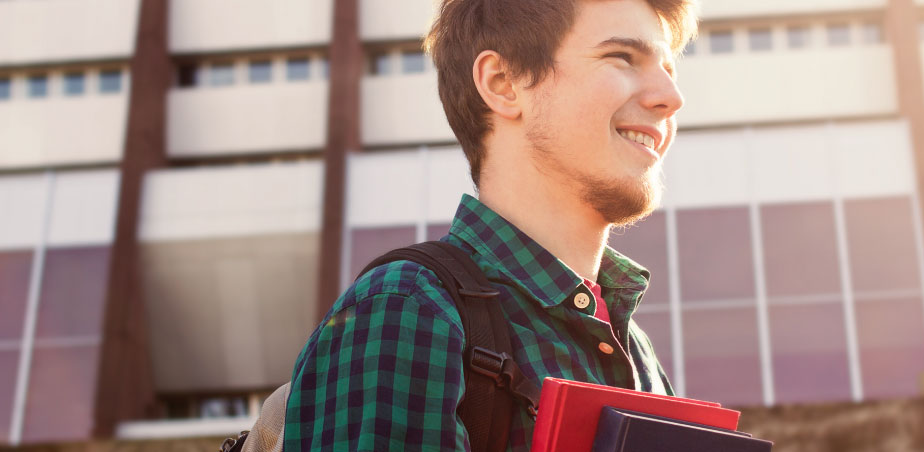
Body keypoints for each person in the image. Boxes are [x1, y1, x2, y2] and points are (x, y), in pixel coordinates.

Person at [283, 0, 698, 450]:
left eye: (670, 71)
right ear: (503, 84)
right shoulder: (409, 307)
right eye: (622, 58)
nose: (671, 97)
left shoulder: (636, 350)